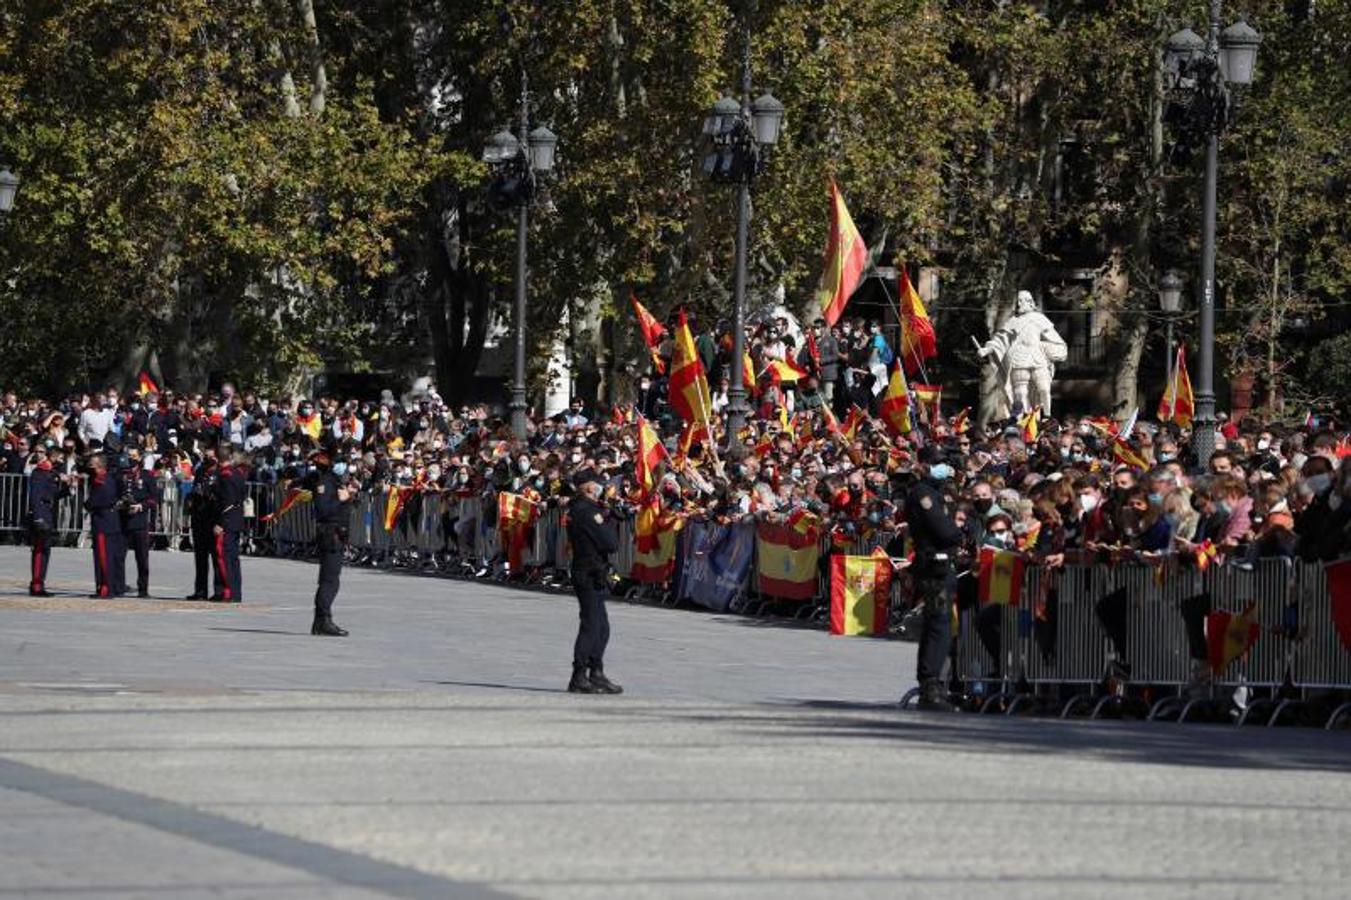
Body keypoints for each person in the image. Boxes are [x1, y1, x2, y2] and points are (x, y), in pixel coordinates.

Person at [897, 444, 964, 711]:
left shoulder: (938, 493)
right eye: (938, 462)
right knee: (939, 626)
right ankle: (930, 686)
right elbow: (946, 532)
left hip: (942, 567)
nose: (944, 466)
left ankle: (934, 683)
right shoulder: (923, 494)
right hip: (934, 569)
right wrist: (957, 532)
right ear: (924, 464)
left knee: (941, 625)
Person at [565, 469, 621, 694]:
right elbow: (610, 542)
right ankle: (579, 675)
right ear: (588, 487)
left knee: (602, 626)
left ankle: (596, 672)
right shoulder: (585, 510)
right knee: (591, 624)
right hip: (588, 570)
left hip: (593, 570)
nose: (600, 487)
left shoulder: (585, 508)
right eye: (597, 484)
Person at [308, 450, 353, 636]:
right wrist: (343, 501)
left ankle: (321, 621)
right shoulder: (325, 482)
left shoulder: (333, 481)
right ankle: (323, 620)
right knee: (330, 580)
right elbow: (324, 510)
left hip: (336, 534)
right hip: (330, 534)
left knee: (329, 579)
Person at [26, 448, 68, 596]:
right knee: (39, 550)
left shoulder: (51, 473)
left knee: (46, 550)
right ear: (54, 457)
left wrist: (68, 487)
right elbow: (35, 497)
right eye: (61, 458)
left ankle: (40, 583)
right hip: (42, 514)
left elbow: (54, 494)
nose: (63, 461)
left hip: (49, 513)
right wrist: (38, 517)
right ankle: (36, 585)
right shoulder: (40, 472)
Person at [118, 447, 158, 597]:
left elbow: (154, 499)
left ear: (140, 457)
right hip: (123, 521)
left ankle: (143, 588)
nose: (131, 459)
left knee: (142, 558)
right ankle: (119, 585)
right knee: (119, 556)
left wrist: (141, 506)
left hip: (140, 523)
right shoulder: (121, 475)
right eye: (128, 456)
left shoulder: (147, 476)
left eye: (134, 456)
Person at [211, 449, 249, 602]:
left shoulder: (225, 476)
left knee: (224, 557)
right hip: (235, 520)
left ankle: (229, 591)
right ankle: (236, 591)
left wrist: (221, 523)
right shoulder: (238, 473)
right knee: (233, 558)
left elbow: (228, 502)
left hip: (227, 521)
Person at [84, 453, 121, 598]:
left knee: (104, 557)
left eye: (93, 463)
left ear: (100, 465)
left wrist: (87, 504)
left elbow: (97, 500)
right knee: (103, 556)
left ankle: (106, 588)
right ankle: (103, 586)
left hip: (104, 522)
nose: (90, 465)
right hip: (106, 521)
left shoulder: (102, 480)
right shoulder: (103, 478)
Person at [186, 451, 219, 599]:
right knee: (200, 558)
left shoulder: (219, 473)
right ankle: (200, 590)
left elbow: (219, 496)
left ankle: (219, 590)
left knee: (216, 558)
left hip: (212, 518)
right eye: (206, 457)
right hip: (199, 518)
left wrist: (206, 493)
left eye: (210, 457)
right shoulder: (200, 471)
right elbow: (195, 488)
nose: (207, 460)